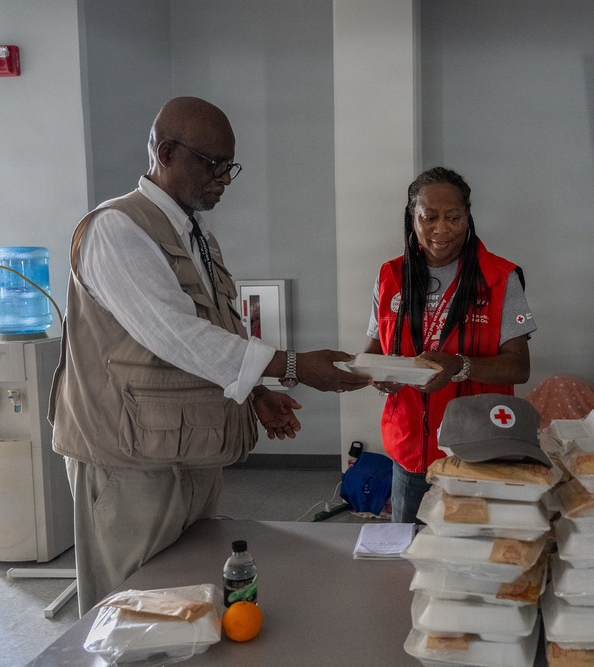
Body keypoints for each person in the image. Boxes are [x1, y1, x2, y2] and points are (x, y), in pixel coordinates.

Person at [49, 96, 369, 613]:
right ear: (168, 152)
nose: (223, 179)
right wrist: (292, 366)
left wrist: (256, 392)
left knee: (189, 599)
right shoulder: (116, 230)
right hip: (130, 462)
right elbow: (174, 334)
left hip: (188, 452)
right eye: (213, 164)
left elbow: (215, 330)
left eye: (229, 167)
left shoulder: (197, 236)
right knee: (132, 610)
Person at [364, 167, 537, 523]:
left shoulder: (500, 278)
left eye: (453, 217)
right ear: (412, 219)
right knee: (407, 559)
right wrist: (375, 373)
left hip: (480, 451)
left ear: (468, 217)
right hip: (410, 452)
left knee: (476, 552)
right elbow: (373, 350)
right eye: (429, 217)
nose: (441, 230)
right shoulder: (390, 276)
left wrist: (459, 365)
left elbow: (519, 366)